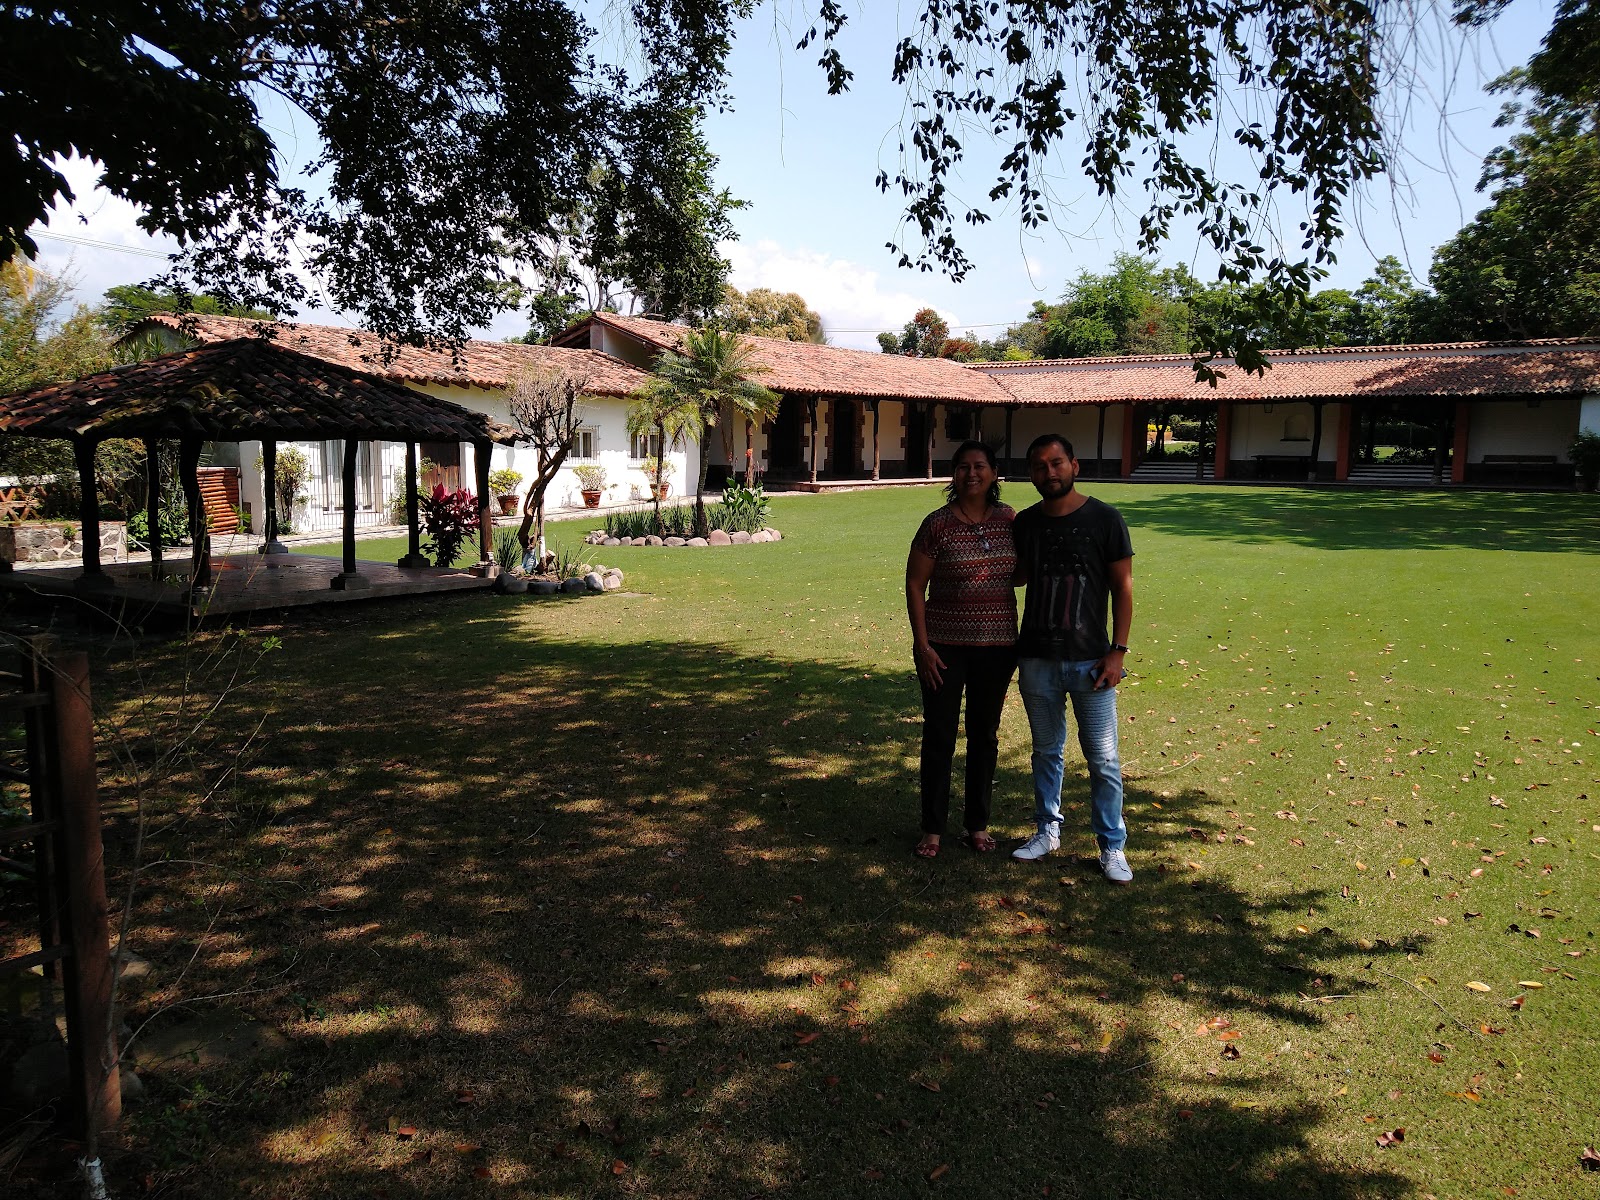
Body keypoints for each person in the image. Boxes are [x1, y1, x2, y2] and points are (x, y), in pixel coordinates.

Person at [1009, 434, 1135, 883]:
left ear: (1074, 466)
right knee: (1046, 751)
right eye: (1040, 466)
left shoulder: (1105, 519)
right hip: (1037, 658)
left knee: (1103, 759)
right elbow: (1018, 576)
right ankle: (1047, 830)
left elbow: (1123, 587)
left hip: (1091, 662)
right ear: (1031, 474)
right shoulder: (1026, 522)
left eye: (1057, 462)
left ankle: (1112, 846)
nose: (1049, 472)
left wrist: (1118, 651)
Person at [905, 440, 1018, 858]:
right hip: (943, 648)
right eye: (964, 467)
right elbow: (915, 583)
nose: (972, 474)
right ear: (954, 474)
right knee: (939, 735)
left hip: (998, 647)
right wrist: (922, 646)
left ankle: (977, 825)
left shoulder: (1009, 520)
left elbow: (1021, 575)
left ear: (994, 473)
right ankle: (932, 829)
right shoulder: (937, 524)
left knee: (984, 736)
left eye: (980, 466)